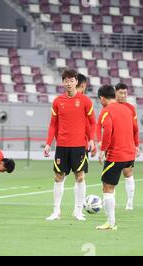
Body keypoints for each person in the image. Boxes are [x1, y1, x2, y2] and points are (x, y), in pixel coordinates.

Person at [44, 69, 96, 221]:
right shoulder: (57, 101)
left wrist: (92, 140)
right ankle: (56, 211)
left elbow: (93, 123)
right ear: (63, 82)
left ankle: (79, 211)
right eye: (66, 80)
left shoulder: (86, 101)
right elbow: (53, 125)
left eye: (71, 80)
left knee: (80, 177)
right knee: (58, 177)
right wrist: (48, 144)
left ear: (76, 82)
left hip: (79, 146)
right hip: (62, 146)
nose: (69, 83)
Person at [96, 85, 137, 230]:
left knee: (107, 187)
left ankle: (111, 223)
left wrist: (102, 150)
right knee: (112, 185)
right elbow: (135, 129)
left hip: (116, 155)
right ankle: (113, 219)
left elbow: (107, 131)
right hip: (129, 154)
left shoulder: (107, 111)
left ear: (102, 99)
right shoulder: (127, 109)